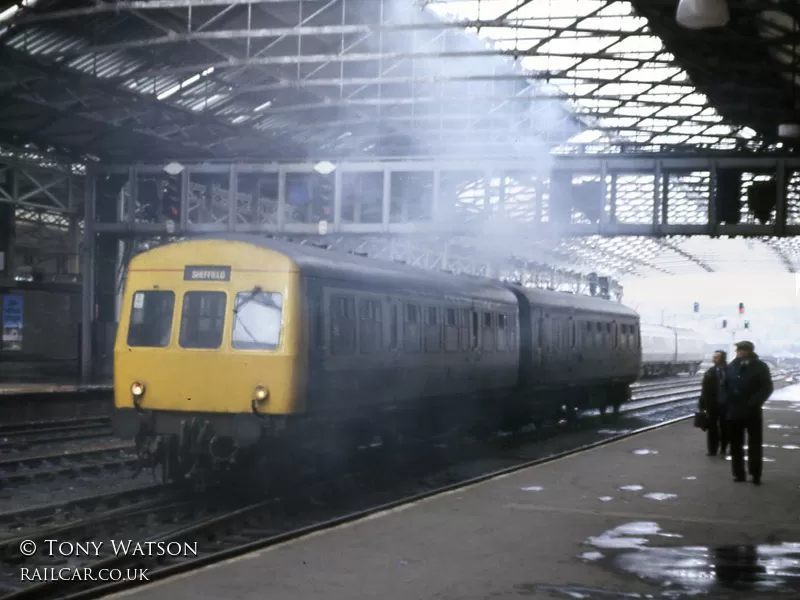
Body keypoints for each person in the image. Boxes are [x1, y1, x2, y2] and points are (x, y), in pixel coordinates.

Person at [724, 341, 773, 485]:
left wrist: (754, 403)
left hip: (752, 412)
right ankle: (738, 473)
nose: (738, 352)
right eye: (738, 350)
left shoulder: (760, 367)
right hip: (734, 411)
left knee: (755, 444)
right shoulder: (732, 366)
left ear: (748, 351)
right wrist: (726, 402)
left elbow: (767, 387)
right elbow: (725, 385)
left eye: (741, 350)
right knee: (735, 444)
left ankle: (756, 473)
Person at [698, 350, 728, 457]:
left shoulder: (730, 371)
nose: (713, 359)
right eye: (714, 357)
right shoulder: (710, 372)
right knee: (712, 428)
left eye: (716, 357)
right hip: (713, 405)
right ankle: (712, 450)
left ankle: (724, 448)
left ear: (723, 358)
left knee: (725, 427)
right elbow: (704, 390)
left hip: (726, 405)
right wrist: (702, 405)